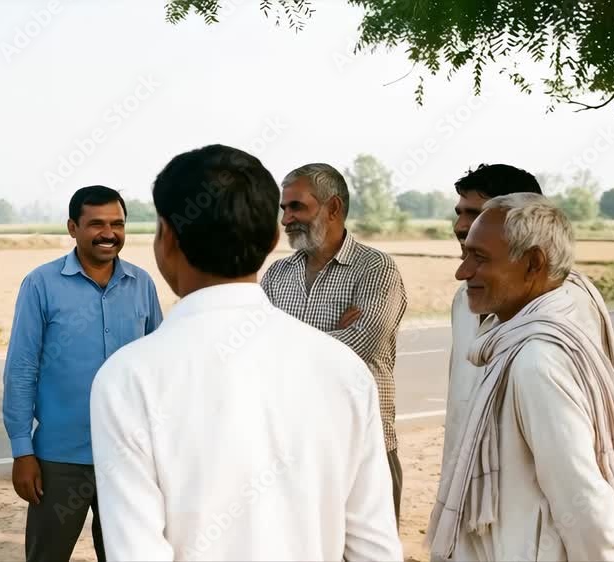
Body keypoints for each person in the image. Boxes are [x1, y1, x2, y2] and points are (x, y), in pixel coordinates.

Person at [90, 144, 403, 561]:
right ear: (273, 238)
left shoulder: (128, 378)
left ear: (166, 238)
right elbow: (374, 549)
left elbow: (137, 552)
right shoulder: (344, 370)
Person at [427, 193, 614, 561]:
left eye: (480, 258)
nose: (463, 272)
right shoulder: (530, 334)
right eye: (465, 255)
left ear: (533, 263)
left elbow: (585, 505)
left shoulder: (537, 361)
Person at [2, 185, 163, 562]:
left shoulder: (142, 284)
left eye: (117, 224)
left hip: (128, 459)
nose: (109, 233)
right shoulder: (41, 284)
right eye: (97, 224)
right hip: (59, 459)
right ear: (73, 227)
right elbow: (21, 369)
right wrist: (23, 451)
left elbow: (158, 368)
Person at [443, 164, 614, 475]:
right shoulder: (466, 298)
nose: (461, 226)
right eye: (459, 213)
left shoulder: (567, 304)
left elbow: (578, 439)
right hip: (471, 477)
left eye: (476, 215)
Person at [260, 162, 407, 521]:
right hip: (292, 450)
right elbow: (255, 351)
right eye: (284, 208)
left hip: (364, 450)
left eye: (297, 207)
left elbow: (360, 346)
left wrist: (280, 343)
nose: (286, 219)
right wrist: (332, 338)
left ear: (334, 208)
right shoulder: (277, 274)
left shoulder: (376, 270)